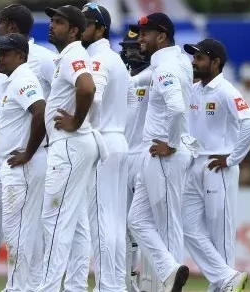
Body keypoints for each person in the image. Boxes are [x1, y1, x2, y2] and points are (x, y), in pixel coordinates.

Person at [0, 4, 55, 291]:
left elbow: (54, 103)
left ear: (13, 27)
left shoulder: (43, 60)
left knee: (22, 225)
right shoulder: (2, 61)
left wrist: (38, 147)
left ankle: (25, 284)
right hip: (3, 154)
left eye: (1, 22)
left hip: (27, 155)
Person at [36, 5, 106, 292]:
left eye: (59, 22)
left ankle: (48, 287)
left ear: (75, 30)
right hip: (74, 145)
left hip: (69, 146)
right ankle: (76, 286)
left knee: (53, 220)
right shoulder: (69, 55)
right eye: (52, 20)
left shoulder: (73, 54)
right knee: (75, 224)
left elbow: (88, 89)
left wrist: (76, 121)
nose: (52, 25)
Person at [183, 38, 250, 292]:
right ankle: (226, 277)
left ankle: (222, 286)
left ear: (215, 62)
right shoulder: (194, 90)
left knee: (221, 235)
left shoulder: (227, 90)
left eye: (200, 58)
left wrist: (232, 157)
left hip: (219, 165)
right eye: (194, 58)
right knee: (187, 226)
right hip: (195, 165)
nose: (194, 62)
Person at [126, 12, 194, 292]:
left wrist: (172, 144)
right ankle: (169, 270)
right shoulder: (174, 62)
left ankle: (167, 281)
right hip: (158, 154)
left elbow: (177, 108)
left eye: (145, 34)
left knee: (167, 225)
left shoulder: (166, 68)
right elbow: (139, 82)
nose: (140, 39)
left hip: (164, 153)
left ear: (161, 36)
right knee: (137, 220)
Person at [0, 32, 47, 292]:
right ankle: (24, 286)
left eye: (5, 53)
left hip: (22, 164)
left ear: (21, 56)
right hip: (18, 163)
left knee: (17, 230)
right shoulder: (13, 80)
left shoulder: (23, 80)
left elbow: (41, 112)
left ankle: (18, 287)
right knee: (21, 230)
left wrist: (28, 152)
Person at [80, 3, 129, 291]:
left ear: (101, 29)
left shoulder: (97, 60)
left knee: (100, 221)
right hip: (118, 138)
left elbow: (94, 97)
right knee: (113, 220)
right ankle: (115, 284)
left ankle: (107, 286)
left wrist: (81, 125)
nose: (81, 27)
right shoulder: (115, 59)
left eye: (87, 23)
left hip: (103, 139)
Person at [120, 29, 159, 292]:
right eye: (126, 47)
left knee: (146, 225)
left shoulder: (155, 75)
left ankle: (151, 285)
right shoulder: (124, 77)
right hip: (123, 157)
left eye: (135, 46)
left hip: (146, 156)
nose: (130, 52)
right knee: (123, 227)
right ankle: (125, 284)